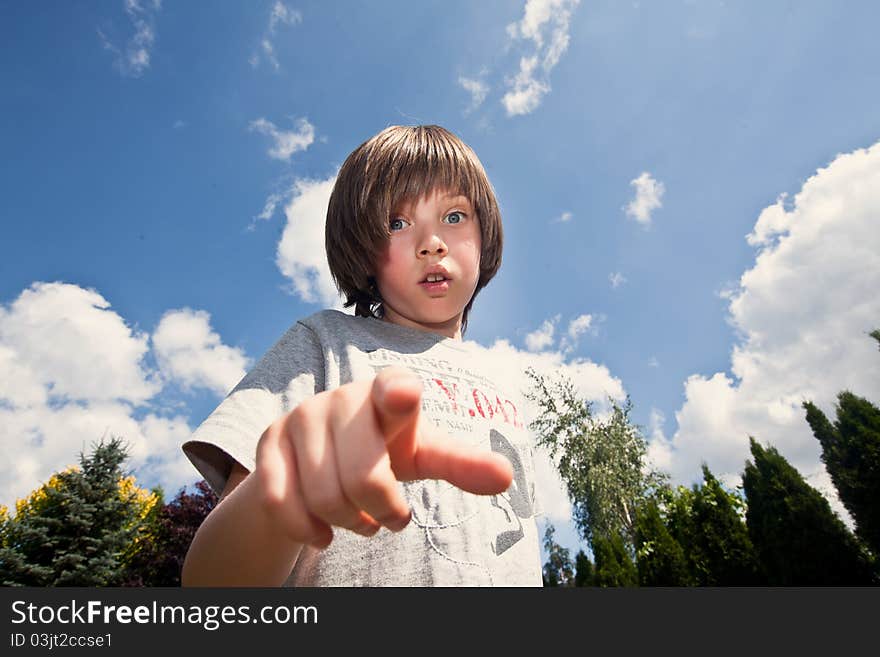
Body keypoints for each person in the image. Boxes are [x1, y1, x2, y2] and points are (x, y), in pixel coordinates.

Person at [181, 125, 542, 586]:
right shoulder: (326, 343)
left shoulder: (506, 382)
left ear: (485, 232)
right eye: (397, 223)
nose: (432, 242)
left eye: (454, 216)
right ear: (364, 250)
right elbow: (212, 585)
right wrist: (289, 488)